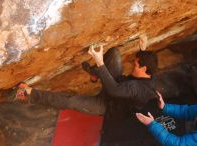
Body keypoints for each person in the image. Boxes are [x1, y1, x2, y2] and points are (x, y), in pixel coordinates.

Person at [15, 36, 180, 145]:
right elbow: (142, 68)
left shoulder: (136, 88)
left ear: (143, 68)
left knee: (71, 101)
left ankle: (27, 93)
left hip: (107, 104)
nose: (132, 64)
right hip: (117, 87)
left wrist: (99, 61)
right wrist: (143, 50)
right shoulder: (150, 75)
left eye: (136, 64)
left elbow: (114, 89)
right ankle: (95, 75)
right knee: (114, 54)